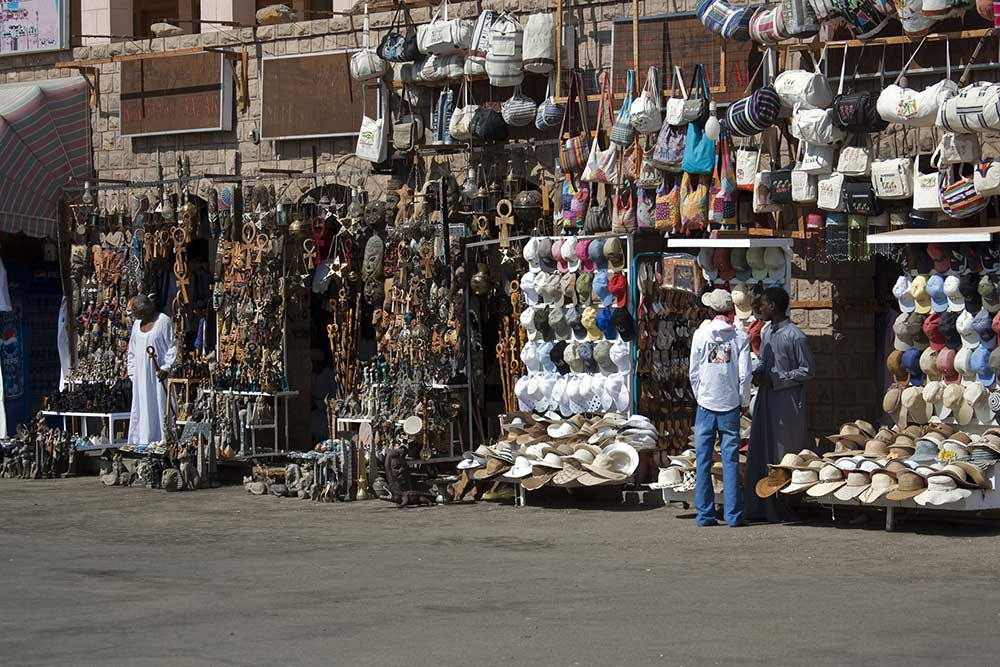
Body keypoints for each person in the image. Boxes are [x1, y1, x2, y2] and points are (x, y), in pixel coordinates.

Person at [745, 286, 815, 523]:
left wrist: (777, 379)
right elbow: (765, 361)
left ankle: (784, 504)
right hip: (766, 399)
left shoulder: (795, 336)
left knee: (783, 452)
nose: (760, 308)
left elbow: (807, 370)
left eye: (763, 304)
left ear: (773, 306)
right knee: (762, 448)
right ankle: (762, 504)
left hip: (787, 402)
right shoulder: (767, 332)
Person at [688, 288, 752, 527]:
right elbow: (745, 375)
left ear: (711, 310)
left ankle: (704, 514)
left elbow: (693, 372)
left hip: (706, 403)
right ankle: (733, 515)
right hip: (730, 404)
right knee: (730, 460)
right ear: (731, 311)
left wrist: (700, 395)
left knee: (703, 459)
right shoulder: (739, 337)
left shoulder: (701, 335)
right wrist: (743, 401)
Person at [126, 295, 176, 445]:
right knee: (142, 407)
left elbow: (172, 346)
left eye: (139, 312)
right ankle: (141, 440)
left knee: (159, 405)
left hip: (158, 375)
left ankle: (162, 439)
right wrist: (133, 373)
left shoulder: (163, 321)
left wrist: (166, 368)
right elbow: (132, 350)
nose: (137, 316)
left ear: (147, 309)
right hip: (140, 377)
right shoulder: (136, 325)